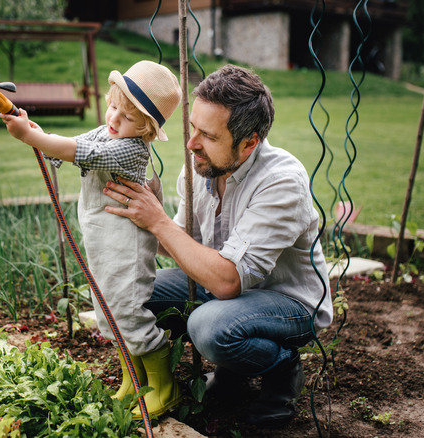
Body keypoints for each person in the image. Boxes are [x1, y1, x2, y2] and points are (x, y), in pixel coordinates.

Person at [102, 64, 333, 428]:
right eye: (192, 127)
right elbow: (183, 243)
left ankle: (282, 369)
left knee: (209, 328)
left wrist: (158, 222)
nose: (191, 142)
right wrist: (148, 215)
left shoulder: (281, 182)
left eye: (207, 135)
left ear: (249, 143)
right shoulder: (201, 166)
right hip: (223, 289)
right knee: (127, 293)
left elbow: (227, 280)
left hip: (287, 303)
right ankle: (200, 378)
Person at [0, 60, 183, 418]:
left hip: (126, 246)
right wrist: (38, 133)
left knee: (128, 310)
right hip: (102, 241)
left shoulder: (131, 149)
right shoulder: (109, 131)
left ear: (146, 129)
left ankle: (165, 387)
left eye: (128, 118)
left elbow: (85, 154)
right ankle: (135, 382)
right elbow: (72, 144)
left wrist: (30, 137)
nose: (114, 119)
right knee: (108, 308)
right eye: (113, 106)